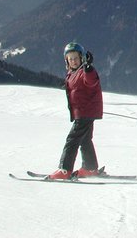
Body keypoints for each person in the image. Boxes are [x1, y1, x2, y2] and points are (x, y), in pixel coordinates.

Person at [48, 42, 103, 180]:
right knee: (85, 140)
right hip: (84, 112)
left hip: (85, 113)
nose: (73, 61)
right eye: (70, 58)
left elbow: (91, 81)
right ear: (66, 60)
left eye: (76, 58)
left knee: (72, 140)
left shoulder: (85, 71)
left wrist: (88, 68)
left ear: (81, 58)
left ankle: (65, 170)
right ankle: (90, 168)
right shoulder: (72, 73)